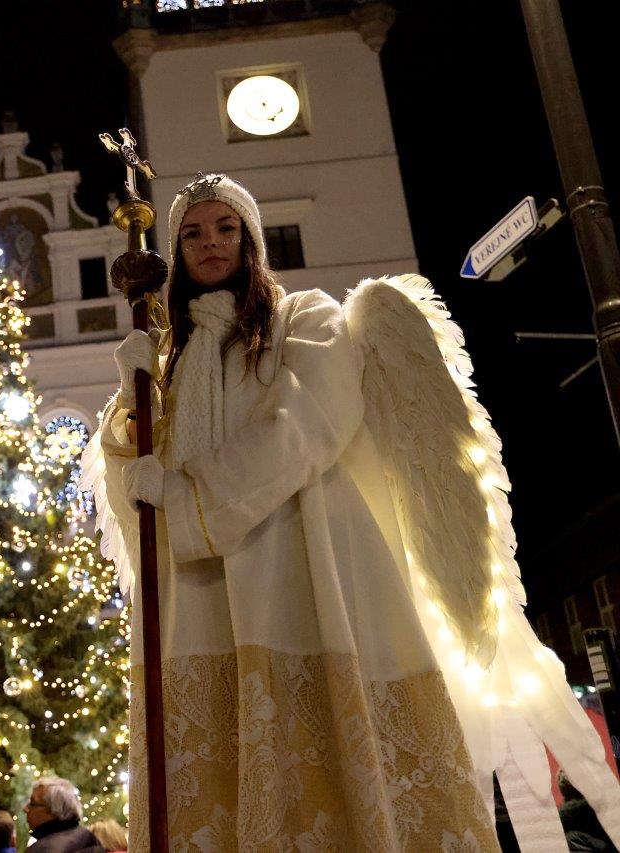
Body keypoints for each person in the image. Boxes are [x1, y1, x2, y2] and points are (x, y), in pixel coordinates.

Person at [92, 174, 499, 849]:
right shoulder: (174, 354)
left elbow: (308, 420)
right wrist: (134, 402)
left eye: (225, 228)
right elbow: (139, 474)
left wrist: (190, 498)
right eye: (192, 232)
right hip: (200, 584)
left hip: (302, 557)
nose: (210, 242)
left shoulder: (303, 316)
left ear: (250, 239)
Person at [23, 776, 105, 853]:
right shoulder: (89, 839)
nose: (25, 809)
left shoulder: (42, 850)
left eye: (32, 803)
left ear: (53, 810)